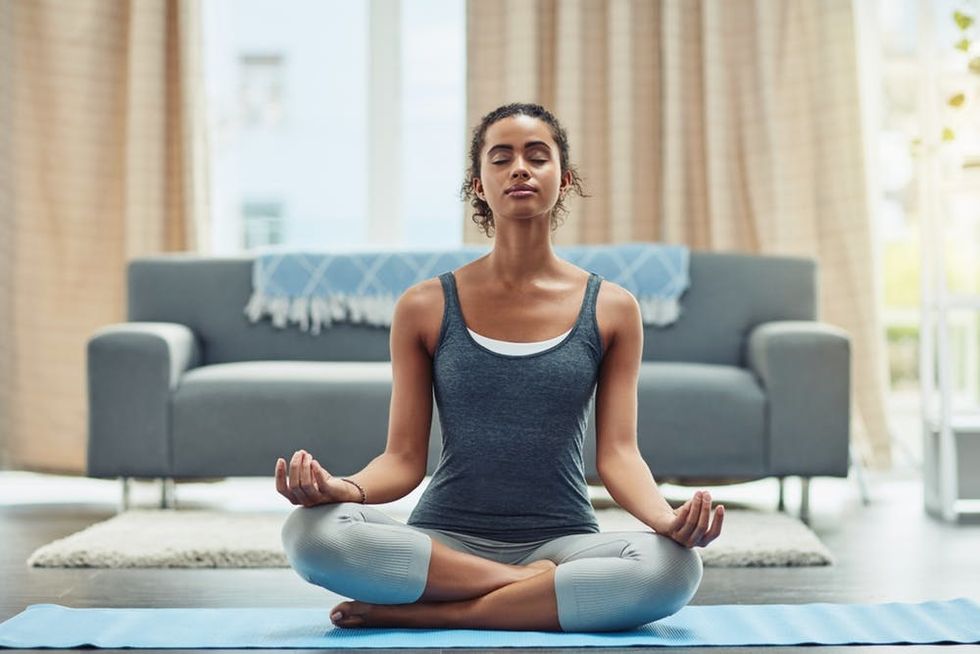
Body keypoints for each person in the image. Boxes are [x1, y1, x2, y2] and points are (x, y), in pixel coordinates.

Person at [274, 102, 724, 632]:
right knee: (309, 534)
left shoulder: (612, 308)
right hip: (444, 540)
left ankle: (433, 613)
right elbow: (402, 460)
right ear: (479, 186)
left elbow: (619, 455)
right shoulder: (424, 306)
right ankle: (522, 589)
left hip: (563, 541)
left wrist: (667, 520)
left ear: (564, 178)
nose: (520, 169)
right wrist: (343, 489)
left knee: (674, 569)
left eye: (537, 156)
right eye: (501, 157)